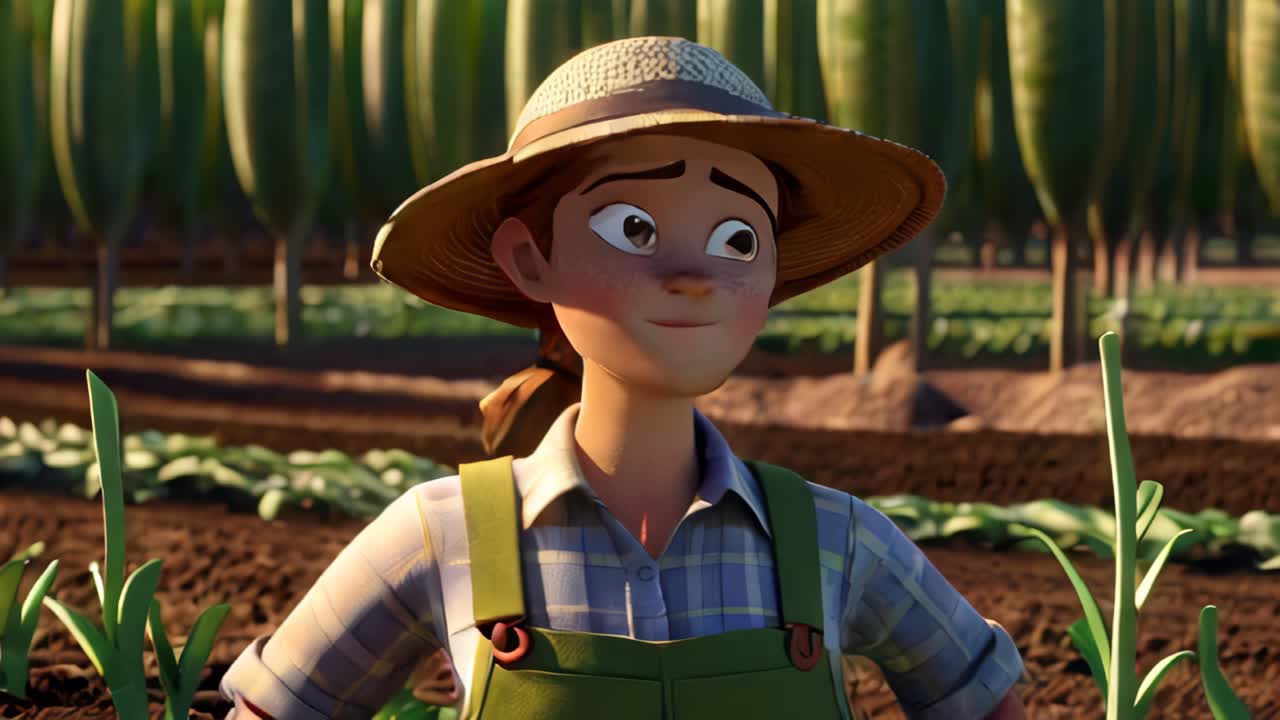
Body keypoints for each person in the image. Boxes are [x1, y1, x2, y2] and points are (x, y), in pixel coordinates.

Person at [219, 36, 1027, 719]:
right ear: (531, 260)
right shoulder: (442, 537)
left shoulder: (836, 543)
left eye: (738, 240)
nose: (693, 274)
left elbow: (982, 698)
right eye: (631, 227)